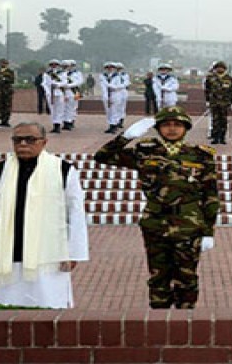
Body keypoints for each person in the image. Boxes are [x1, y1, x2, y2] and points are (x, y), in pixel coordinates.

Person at [94, 106, 220, 308]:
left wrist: (208, 232)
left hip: (188, 224)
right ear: (158, 128)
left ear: (186, 128)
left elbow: (210, 196)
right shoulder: (145, 153)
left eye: (177, 125)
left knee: (186, 278)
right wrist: (125, 137)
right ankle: (160, 321)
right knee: (158, 276)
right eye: (166, 125)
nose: (171, 129)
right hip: (155, 223)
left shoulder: (200, 156)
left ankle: (184, 321)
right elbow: (102, 156)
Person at [0, 121, 89, 308]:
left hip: (49, 257)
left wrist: (74, 252)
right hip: (7, 255)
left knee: (49, 308)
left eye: (30, 140)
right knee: (7, 310)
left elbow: (75, 213)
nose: (23, 144)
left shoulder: (63, 170)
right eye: (17, 140)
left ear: (44, 142)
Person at [204, 61, 232, 144]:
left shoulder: (230, 79)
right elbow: (207, 90)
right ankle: (215, 138)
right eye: (218, 67)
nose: (220, 69)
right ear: (215, 69)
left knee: (223, 120)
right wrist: (207, 100)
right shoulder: (210, 78)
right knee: (215, 120)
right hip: (214, 102)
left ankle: (222, 138)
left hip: (225, 103)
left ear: (225, 69)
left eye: (222, 67)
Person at [0, 58, 16, 128]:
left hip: (7, 91)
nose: (3, 64)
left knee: (7, 106)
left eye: (5, 63)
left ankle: (5, 121)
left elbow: (12, 80)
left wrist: (5, 79)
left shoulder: (10, 71)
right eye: (2, 63)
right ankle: (0, 119)